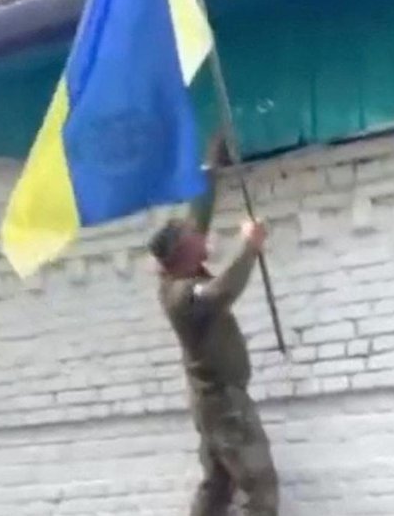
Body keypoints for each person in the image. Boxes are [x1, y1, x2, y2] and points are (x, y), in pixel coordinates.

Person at [148, 131, 279, 516]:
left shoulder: (182, 265)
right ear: (181, 254)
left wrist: (212, 163)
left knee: (219, 485)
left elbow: (198, 214)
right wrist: (250, 246)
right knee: (261, 486)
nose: (202, 236)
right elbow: (222, 291)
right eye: (194, 237)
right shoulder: (181, 296)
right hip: (222, 404)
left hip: (211, 402)